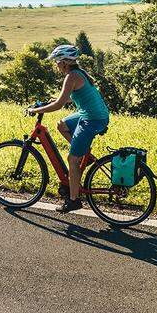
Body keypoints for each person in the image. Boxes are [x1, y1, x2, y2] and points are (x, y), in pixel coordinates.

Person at [26, 44, 110, 213]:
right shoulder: (78, 74)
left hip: (92, 119)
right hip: (93, 114)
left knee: (71, 159)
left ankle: (73, 201)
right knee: (62, 125)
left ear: (64, 62)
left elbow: (58, 105)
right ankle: (82, 154)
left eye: (57, 62)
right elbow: (73, 96)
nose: (56, 65)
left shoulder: (71, 76)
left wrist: (35, 110)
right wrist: (54, 100)